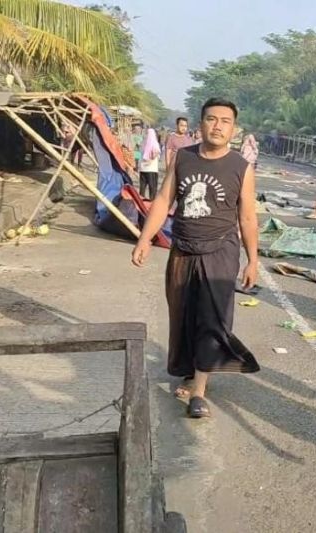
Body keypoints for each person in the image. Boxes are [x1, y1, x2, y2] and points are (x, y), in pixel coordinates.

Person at [131, 97, 260, 419]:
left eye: (225, 121)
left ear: (234, 128)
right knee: (184, 313)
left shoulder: (241, 168)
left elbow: (246, 218)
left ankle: (199, 389)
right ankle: (193, 369)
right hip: (183, 249)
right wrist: (145, 239)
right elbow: (163, 201)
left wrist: (253, 259)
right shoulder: (183, 159)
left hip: (220, 252)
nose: (218, 125)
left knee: (211, 317)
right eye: (212, 119)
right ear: (200, 124)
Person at [139, 128, 161, 200]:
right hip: (152, 169)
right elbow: (155, 154)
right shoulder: (154, 143)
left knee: (142, 187)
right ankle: (152, 201)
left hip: (143, 169)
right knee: (152, 187)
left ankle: (140, 202)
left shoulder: (143, 143)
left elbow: (140, 154)